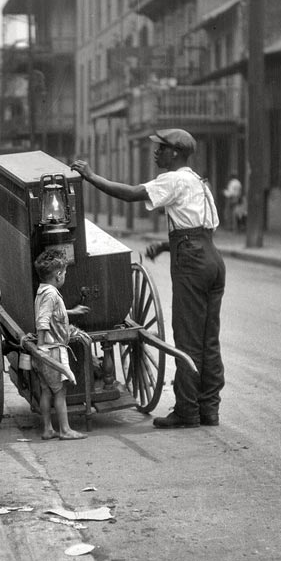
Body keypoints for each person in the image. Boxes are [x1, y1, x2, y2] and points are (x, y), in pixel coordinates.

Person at [72, 127, 226, 429]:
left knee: (188, 338)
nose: (156, 153)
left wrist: (91, 176)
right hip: (212, 259)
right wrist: (167, 245)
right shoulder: (199, 181)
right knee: (209, 339)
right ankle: (209, 409)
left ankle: (186, 411)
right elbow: (203, 229)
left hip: (192, 262)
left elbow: (131, 194)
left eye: (162, 148)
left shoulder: (173, 179)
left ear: (176, 153)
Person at [31, 248, 88, 441]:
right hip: (52, 350)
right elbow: (43, 319)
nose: (65, 277)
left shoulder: (43, 291)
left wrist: (72, 311)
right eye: (64, 274)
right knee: (60, 392)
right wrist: (42, 345)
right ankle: (65, 429)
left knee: (46, 390)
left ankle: (48, 429)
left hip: (46, 351)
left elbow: (55, 314)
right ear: (58, 275)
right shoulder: (52, 295)